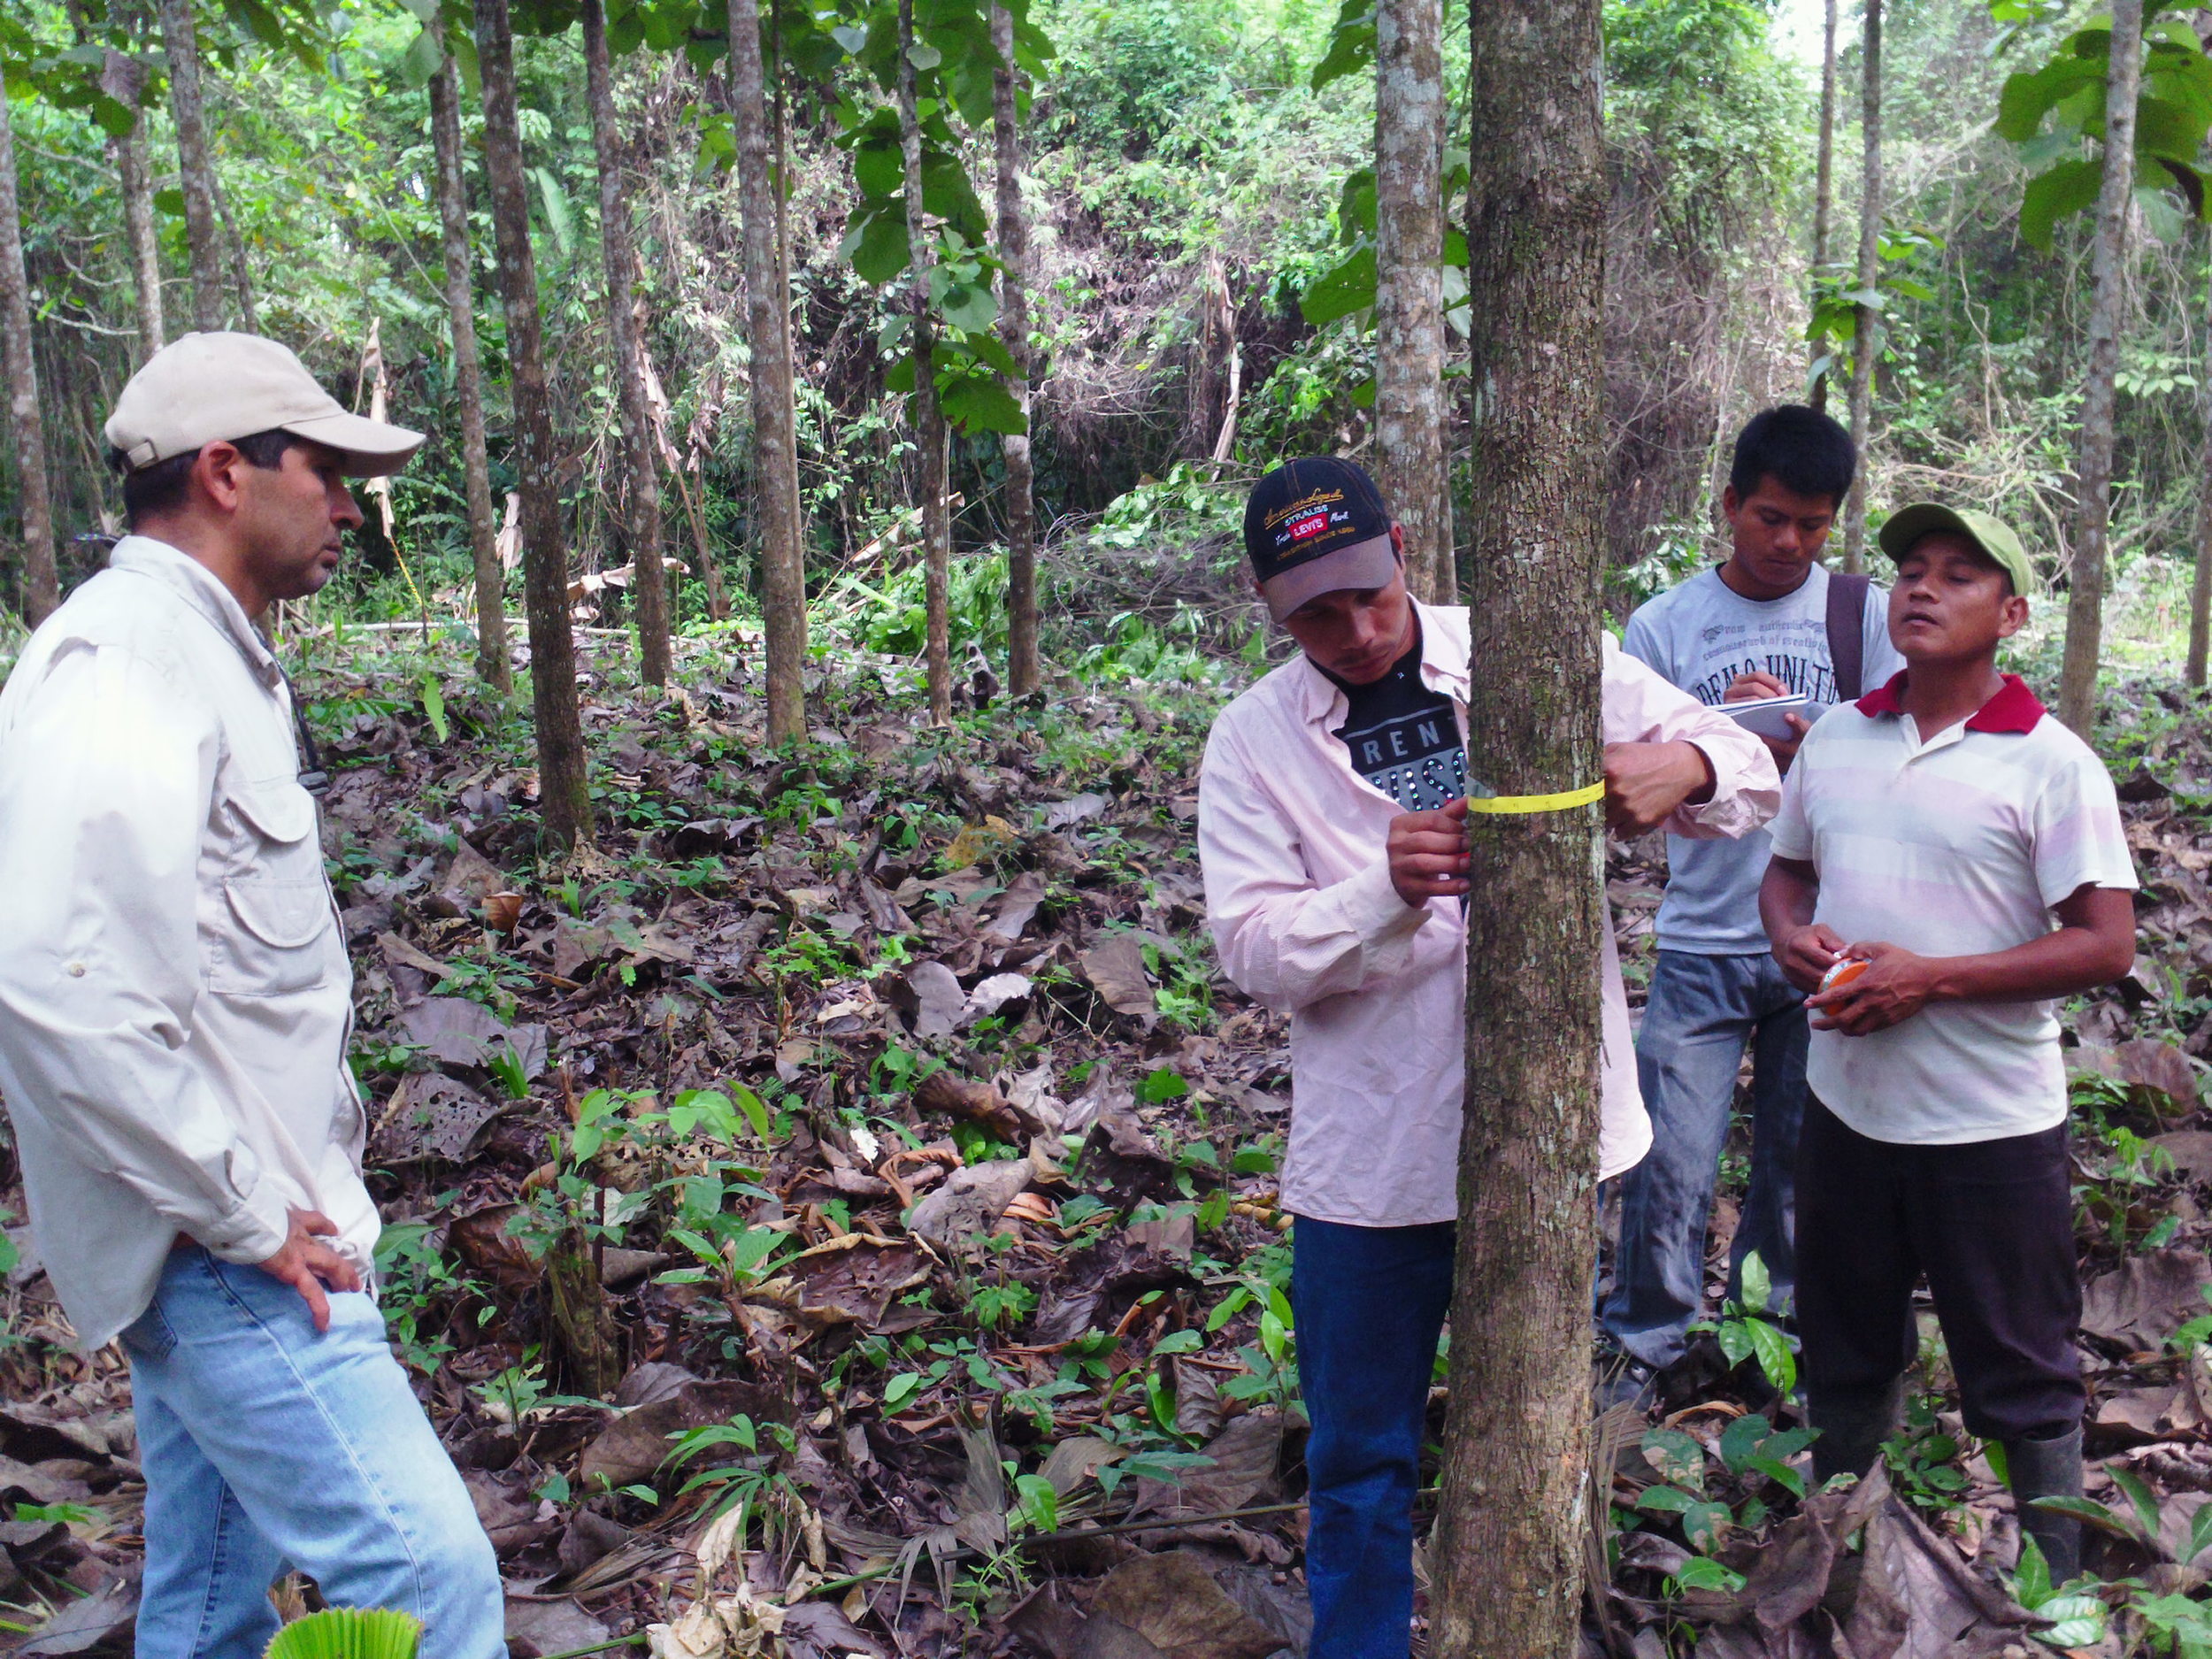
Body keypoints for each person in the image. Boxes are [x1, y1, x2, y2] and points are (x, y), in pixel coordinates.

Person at [1197, 457, 1779, 1658]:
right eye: (1317, 612)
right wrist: (1378, 890)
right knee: (1359, 1447)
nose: (1357, 631)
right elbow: (1252, 945)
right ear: (1264, 600)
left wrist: (1691, 765)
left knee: (1528, 1424)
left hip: (1546, 1126)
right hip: (1376, 1150)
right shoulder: (1253, 740)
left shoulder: (1527, 650)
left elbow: (1744, 761)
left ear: (1402, 548)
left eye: (1372, 593)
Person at [0, 334, 504, 1656]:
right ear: (226, 472)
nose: (348, 504)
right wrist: (240, 1209)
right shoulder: (131, 663)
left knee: (212, 1589)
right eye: (326, 470)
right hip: (224, 1241)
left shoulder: (201, 651)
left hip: (225, 1214)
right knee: (430, 1575)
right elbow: (59, 978)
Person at [1760, 503, 2137, 1583]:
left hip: (1988, 1124)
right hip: (1846, 1109)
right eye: (1910, 572)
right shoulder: (1837, 738)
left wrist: (1932, 978)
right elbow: (1786, 868)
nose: (1921, 589)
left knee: (2020, 1365)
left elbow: (2105, 943)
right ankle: (1837, 1560)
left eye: (1958, 577)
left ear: (2011, 614)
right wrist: (1791, 935)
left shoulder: (2050, 766)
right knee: (1844, 1344)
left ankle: (2056, 1591)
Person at [1600, 405, 1904, 1400]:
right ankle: (1644, 1342)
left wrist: (1810, 733)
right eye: (1770, 518)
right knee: (1664, 1162)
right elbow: (1633, 785)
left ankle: (1764, 1346)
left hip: (1823, 941)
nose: (1788, 543)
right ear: (1729, 504)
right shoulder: (1664, 626)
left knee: (1793, 1167)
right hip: (1699, 938)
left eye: (1812, 526)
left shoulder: (1863, 617)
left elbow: (1906, 756)